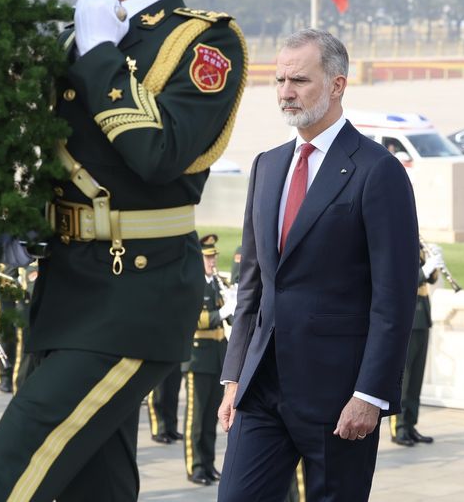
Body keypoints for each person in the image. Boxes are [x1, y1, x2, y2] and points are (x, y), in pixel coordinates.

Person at [0, 0, 245, 501]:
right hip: (67, 290)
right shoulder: (78, 35)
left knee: (2, 479)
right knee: (98, 489)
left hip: (133, 297)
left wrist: (99, 56)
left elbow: (157, 154)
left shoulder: (203, 44)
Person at [217, 29, 418, 502]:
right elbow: (253, 285)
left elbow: (394, 297)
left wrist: (369, 394)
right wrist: (233, 377)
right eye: (280, 80)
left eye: (299, 80)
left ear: (337, 84)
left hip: (338, 396)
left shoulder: (377, 170)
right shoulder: (267, 166)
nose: (286, 92)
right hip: (261, 387)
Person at [184, 233, 232, 486]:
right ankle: (195, 466)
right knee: (197, 417)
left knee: (211, 417)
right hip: (198, 358)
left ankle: (209, 463)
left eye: (214, 257)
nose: (213, 262)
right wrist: (222, 312)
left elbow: (231, 318)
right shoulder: (193, 283)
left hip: (217, 357)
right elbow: (195, 318)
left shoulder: (217, 283)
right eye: (208, 258)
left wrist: (235, 303)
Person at [390, 239, 445, 447]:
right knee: (404, 378)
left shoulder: (420, 245)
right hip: (407, 319)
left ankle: (410, 424)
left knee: (415, 379)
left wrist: (434, 263)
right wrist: (425, 270)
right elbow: (400, 280)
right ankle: (399, 427)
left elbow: (429, 279)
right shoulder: (399, 243)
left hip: (422, 317)